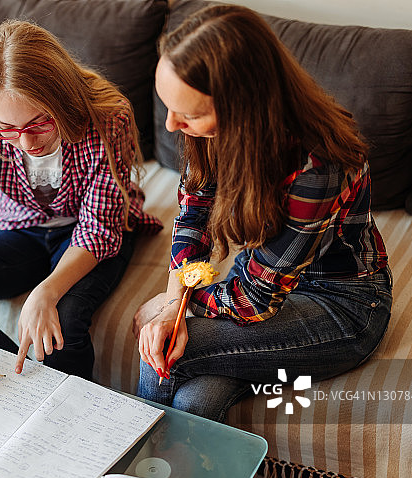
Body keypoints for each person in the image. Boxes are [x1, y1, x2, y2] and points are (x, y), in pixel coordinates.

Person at [133, 5, 392, 422]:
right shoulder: (216, 132)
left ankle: (130, 475)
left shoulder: (318, 163)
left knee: (162, 352)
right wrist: (172, 299)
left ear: (244, 105)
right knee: (191, 402)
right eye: (169, 106)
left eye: (190, 113)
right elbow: (194, 215)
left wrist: (175, 307)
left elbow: (254, 299)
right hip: (262, 278)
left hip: (339, 305)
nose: (170, 125)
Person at [0, 20, 161, 383]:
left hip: (90, 231)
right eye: (7, 128)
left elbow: (98, 229)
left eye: (39, 123)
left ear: (63, 100)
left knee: (64, 323)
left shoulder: (107, 117)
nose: (26, 143)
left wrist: (47, 290)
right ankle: (24, 389)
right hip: (20, 225)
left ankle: (58, 405)